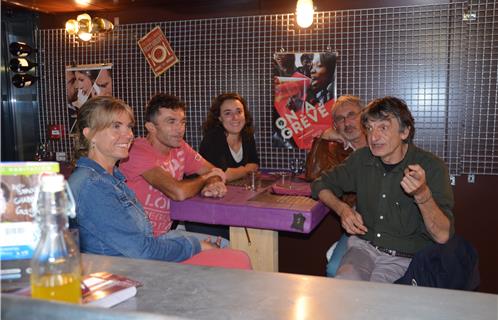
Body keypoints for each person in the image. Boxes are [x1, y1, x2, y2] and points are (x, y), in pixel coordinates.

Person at [311, 96, 454, 283]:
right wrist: (342, 209)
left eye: (383, 128)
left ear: (404, 132)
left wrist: (422, 195)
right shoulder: (362, 159)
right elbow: (320, 184)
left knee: (375, 302)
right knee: (343, 293)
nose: (374, 137)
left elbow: (442, 235)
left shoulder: (432, 167)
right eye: (369, 128)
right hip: (363, 248)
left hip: (404, 257)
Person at [68, 96, 219, 262]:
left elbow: (141, 243)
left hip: (132, 263)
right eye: (116, 127)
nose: (128, 135)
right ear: (90, 135)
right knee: (224, 255)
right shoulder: (93, 185)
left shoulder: (110, 178)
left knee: (224, 249)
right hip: (122, 274)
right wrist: (194, 246)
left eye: (129, 127)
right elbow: (143, 251)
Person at [119, 94, 228, 240]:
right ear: (151, 127)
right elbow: (178, 192)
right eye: (171, 122)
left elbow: (212, 171)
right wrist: (206, 179)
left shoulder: (180, 147)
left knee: (225, 246)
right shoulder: (136, 151)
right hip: (137, 240)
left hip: (163, 236)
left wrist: (213, 182)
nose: (180, 129)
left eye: (182, 122)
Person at [185, 93, 260, 238]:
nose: (235, 117)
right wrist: (245, 170)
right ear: (219, 118)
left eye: (239, 111)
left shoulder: (247, 136)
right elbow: (224, 174)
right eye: (228, 113)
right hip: (206, 214)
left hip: (230, 205)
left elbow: (255, 166)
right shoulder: (213, 137)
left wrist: (239, 171)